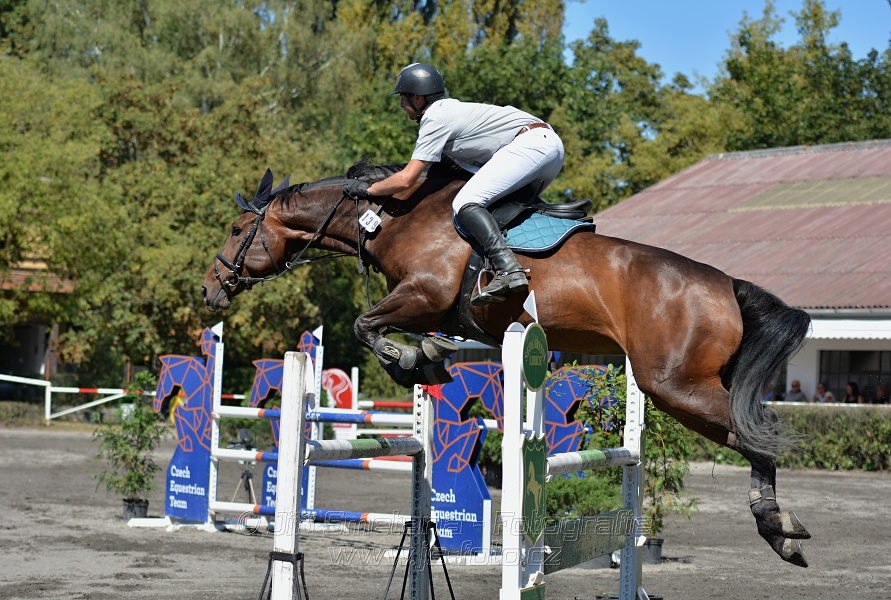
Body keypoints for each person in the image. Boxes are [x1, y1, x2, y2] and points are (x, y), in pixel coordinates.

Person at [342, 63, 565, 306]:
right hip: (546, 147)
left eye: (403, 98)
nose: (400, 105)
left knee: (466, 202)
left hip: (532, 145)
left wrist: (369, 189)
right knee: (495, 204)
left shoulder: (435, 118)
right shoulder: (448, 112)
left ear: (417, 98)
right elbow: (465, 172)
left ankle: (508, 269)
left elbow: (408, 178)